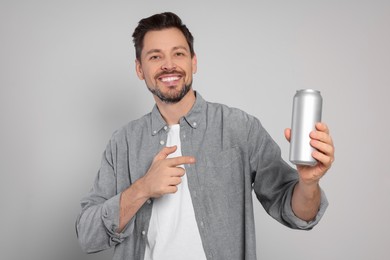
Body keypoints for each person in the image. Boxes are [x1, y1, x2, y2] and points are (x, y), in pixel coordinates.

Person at [76, 12, 335, 260]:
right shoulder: (123, 142)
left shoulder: (239, 128)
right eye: (155, 57)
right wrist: (142, 188)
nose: (168, 65)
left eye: (178, 53)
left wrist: (308, 184)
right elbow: (88, 235)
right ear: (139, 69)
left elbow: (297, 214)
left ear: (194, 62)